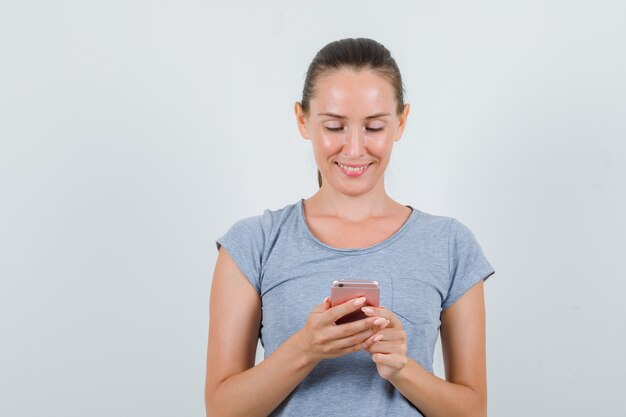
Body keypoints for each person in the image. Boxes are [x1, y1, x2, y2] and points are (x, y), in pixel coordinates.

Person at [205, 37, 495, 417]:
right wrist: (306, 348)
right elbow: (221, 409)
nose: (355, 149)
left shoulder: (451, 245)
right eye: (335, 126)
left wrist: (403, 370)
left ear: (401, 122)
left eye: (374, 127)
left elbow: (473, 410)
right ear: (302, 119)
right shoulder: (253, 244)